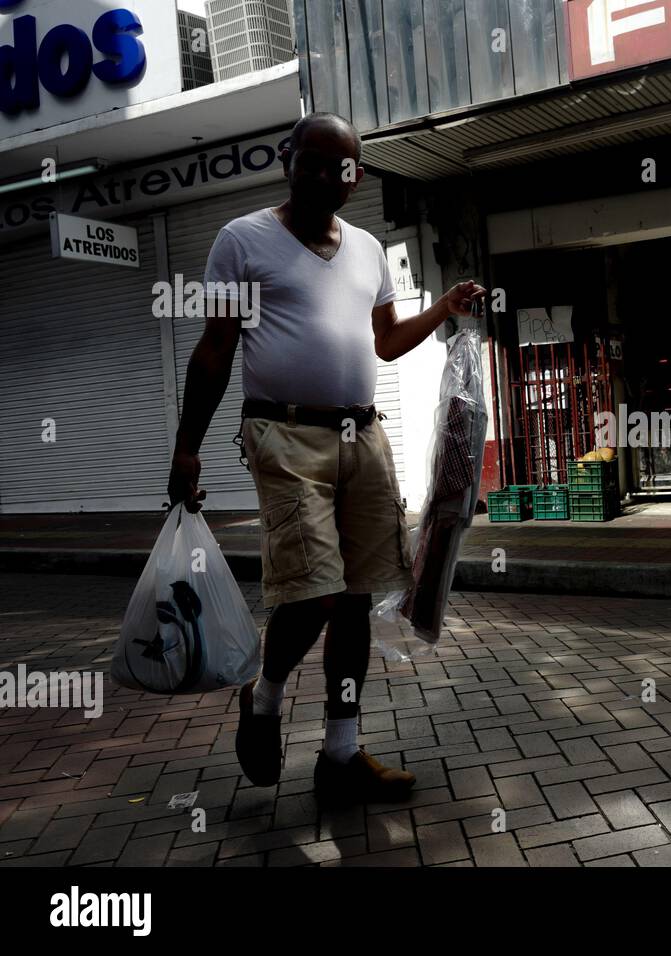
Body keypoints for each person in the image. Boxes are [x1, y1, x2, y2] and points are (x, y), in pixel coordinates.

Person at [167, 111, 485, 806]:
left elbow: (387, 344)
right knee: (313, 588)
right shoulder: (241, 241)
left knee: (357, 595)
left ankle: (340, 755)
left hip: (362, 437)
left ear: (355, 177)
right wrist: (186, 448)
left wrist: (445, 308)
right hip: (283, 436)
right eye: (305, 160)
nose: (318, 175)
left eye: (334, 166)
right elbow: (216, 348)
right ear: (287, 160)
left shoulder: (369, 249)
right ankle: (265, 695)